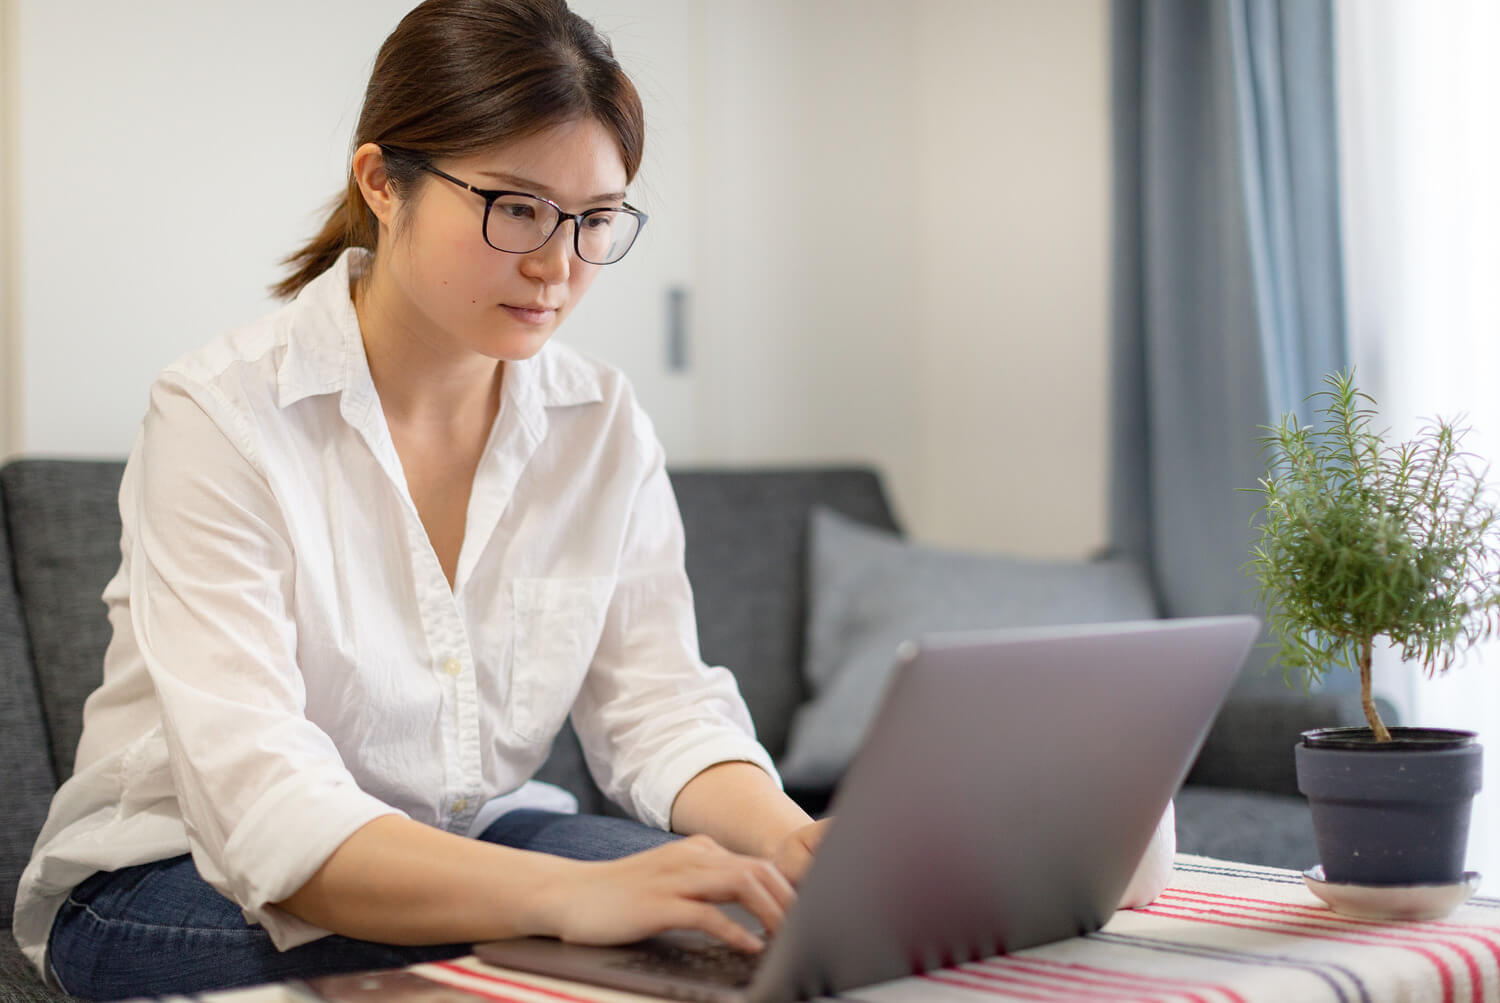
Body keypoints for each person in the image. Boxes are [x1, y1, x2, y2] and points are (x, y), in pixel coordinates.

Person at [13, 0, 1174, 997]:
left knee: (741, 916)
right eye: (515, 207)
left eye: (595, 219)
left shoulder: (598, 420)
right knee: (590, 939)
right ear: (382, 182)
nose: (558, 264)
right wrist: (577, 895)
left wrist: (797, 843)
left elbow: (660, 710)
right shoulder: (221, 414)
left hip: (473, 834)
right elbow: (269, 814)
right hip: (170, 878)